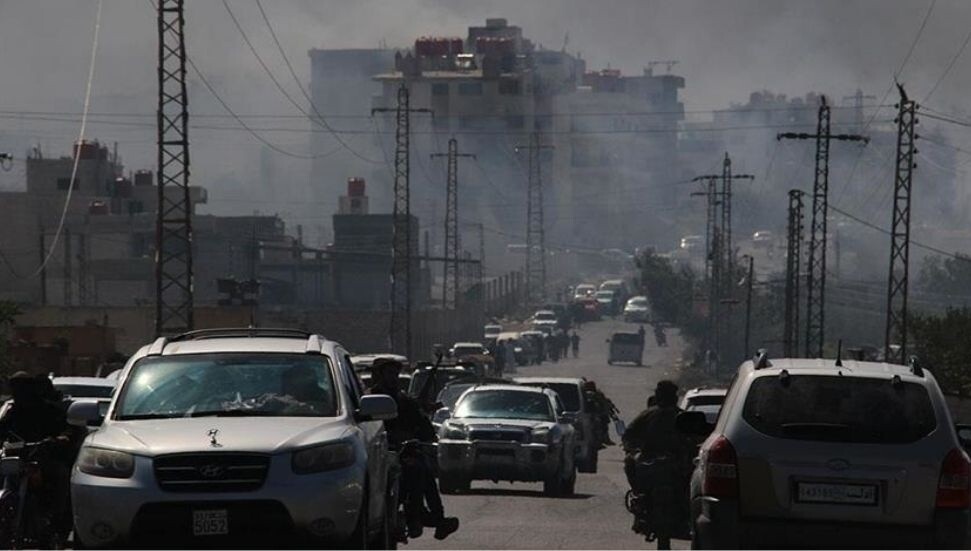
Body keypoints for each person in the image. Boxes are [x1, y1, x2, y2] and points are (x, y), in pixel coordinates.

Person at [369, 359, 459, 541]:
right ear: (380, 376)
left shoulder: (403, 399)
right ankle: (414, 516)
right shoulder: (371, 399)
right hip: (378, 452)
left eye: (395, 374)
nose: (393, 378)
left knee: (423, 470)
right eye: (389, 374)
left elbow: (421, 424)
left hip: (404, 451)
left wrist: (424, 426)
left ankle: (433, 518)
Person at [0, 372, 77, 541]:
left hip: (43, 459)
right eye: (15, 389)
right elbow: (2, 429)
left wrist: (58, 439)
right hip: (16, 460)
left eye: (22, 388)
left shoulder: (49, 410)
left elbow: (67, 430)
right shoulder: (13, 412)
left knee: (60, 475)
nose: (18, 393)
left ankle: (57, 520)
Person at [622, 381, 693, 536]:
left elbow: (694, 438)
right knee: (629, 463)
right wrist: (632, 449)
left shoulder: (680, 416)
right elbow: (629, 434)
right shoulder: (649, 415)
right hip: (651, 460)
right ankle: (639, 498)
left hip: (675, 462)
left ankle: (685, 514)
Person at [582, 380, 619, 447]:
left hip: (600, 414)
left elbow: (605, 403)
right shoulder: (590, 394)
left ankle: (604, 439)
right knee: (597, 427)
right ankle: (600, 441)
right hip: (593, 414)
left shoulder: (597, 393)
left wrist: (611, 410)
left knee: (603, 426)